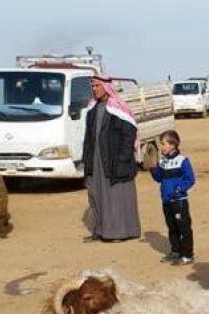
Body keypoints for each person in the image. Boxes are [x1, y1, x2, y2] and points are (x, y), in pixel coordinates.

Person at [82, 75, 142, 242]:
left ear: (106, 87)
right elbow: (89, 137)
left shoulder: (118, 109)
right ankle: (100, 231)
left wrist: (122, 159)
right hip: (97, 160)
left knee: (116, 197)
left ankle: (119, 232)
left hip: (115, 161)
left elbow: (129, 134)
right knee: (97, 194)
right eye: (92, 86)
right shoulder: (92, 109)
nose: (94, 89)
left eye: (97, 86)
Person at [149, 130, 196, 265]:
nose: (161, 147)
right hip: (166, 201)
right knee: (172, 227)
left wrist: (178, 189)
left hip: (179, 201)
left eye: (163, 144)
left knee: (184, 228)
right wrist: (153, 168)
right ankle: (175, 251)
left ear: (173, 145)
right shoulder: (163, 161)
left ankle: (187, 254)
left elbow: (190, 179)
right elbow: (159, 178)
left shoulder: (182, 161)